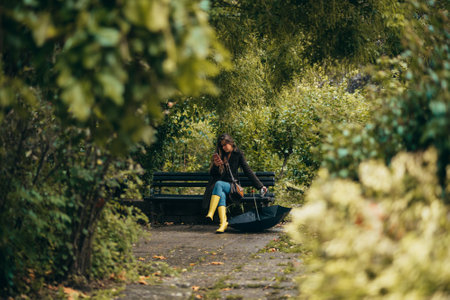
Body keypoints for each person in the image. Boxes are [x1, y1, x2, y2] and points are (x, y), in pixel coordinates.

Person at [203, 133, 268, 233]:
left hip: (232, 186)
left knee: (219, 184)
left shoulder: (238, 154)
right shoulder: (220, 154)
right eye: (222, 145)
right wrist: (216, 166)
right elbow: (213, 175)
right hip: (220, 187)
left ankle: (210, 213)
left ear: (231, 143)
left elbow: (247, 170)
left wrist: (260, 186)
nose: (224, 147)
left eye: (225, 144)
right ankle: (223, 223)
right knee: (221, 194)